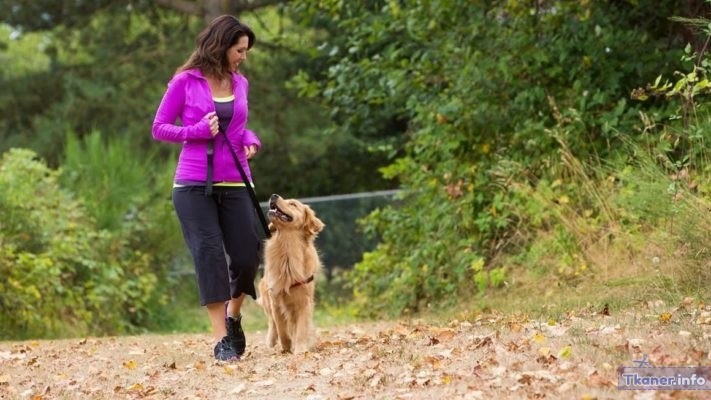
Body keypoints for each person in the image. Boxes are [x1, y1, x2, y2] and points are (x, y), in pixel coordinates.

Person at [151, 15, 261, 362]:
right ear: (221, 45)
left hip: (236, 180)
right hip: (193, 184)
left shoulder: (239, 83)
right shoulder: (185, 82)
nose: (243, 56)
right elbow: (159, 127)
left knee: (247, 256)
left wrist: (252, 140)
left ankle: (234, 316)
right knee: (209, 256)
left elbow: (240, 127)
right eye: (239, 50)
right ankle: (221, 341)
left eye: (245, 51)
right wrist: (194, 131)